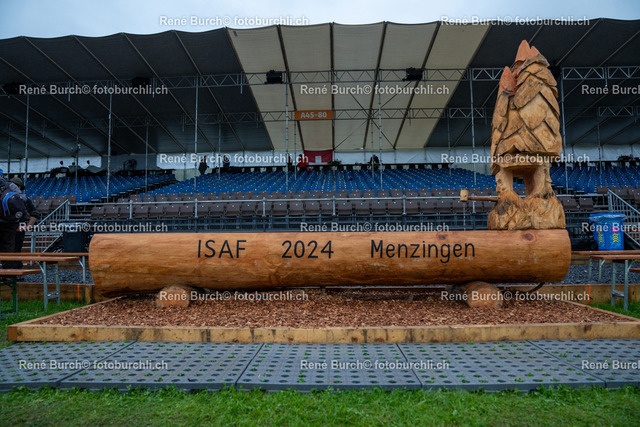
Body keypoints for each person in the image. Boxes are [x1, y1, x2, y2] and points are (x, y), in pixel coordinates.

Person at [0, 171, 29, 269]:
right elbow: (22, 202)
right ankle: (8, 270)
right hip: (11, 222)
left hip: (7, 220)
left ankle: (9, 269)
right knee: (9, 246)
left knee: (8, 246)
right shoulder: (10, 186)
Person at [10, 177, 39, 269]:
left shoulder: (24, 199)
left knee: (15, 250)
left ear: (18, 187)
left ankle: (15, 271)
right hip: (6, 228)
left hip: (17, 228)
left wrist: (27, 227)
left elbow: (35, 214)